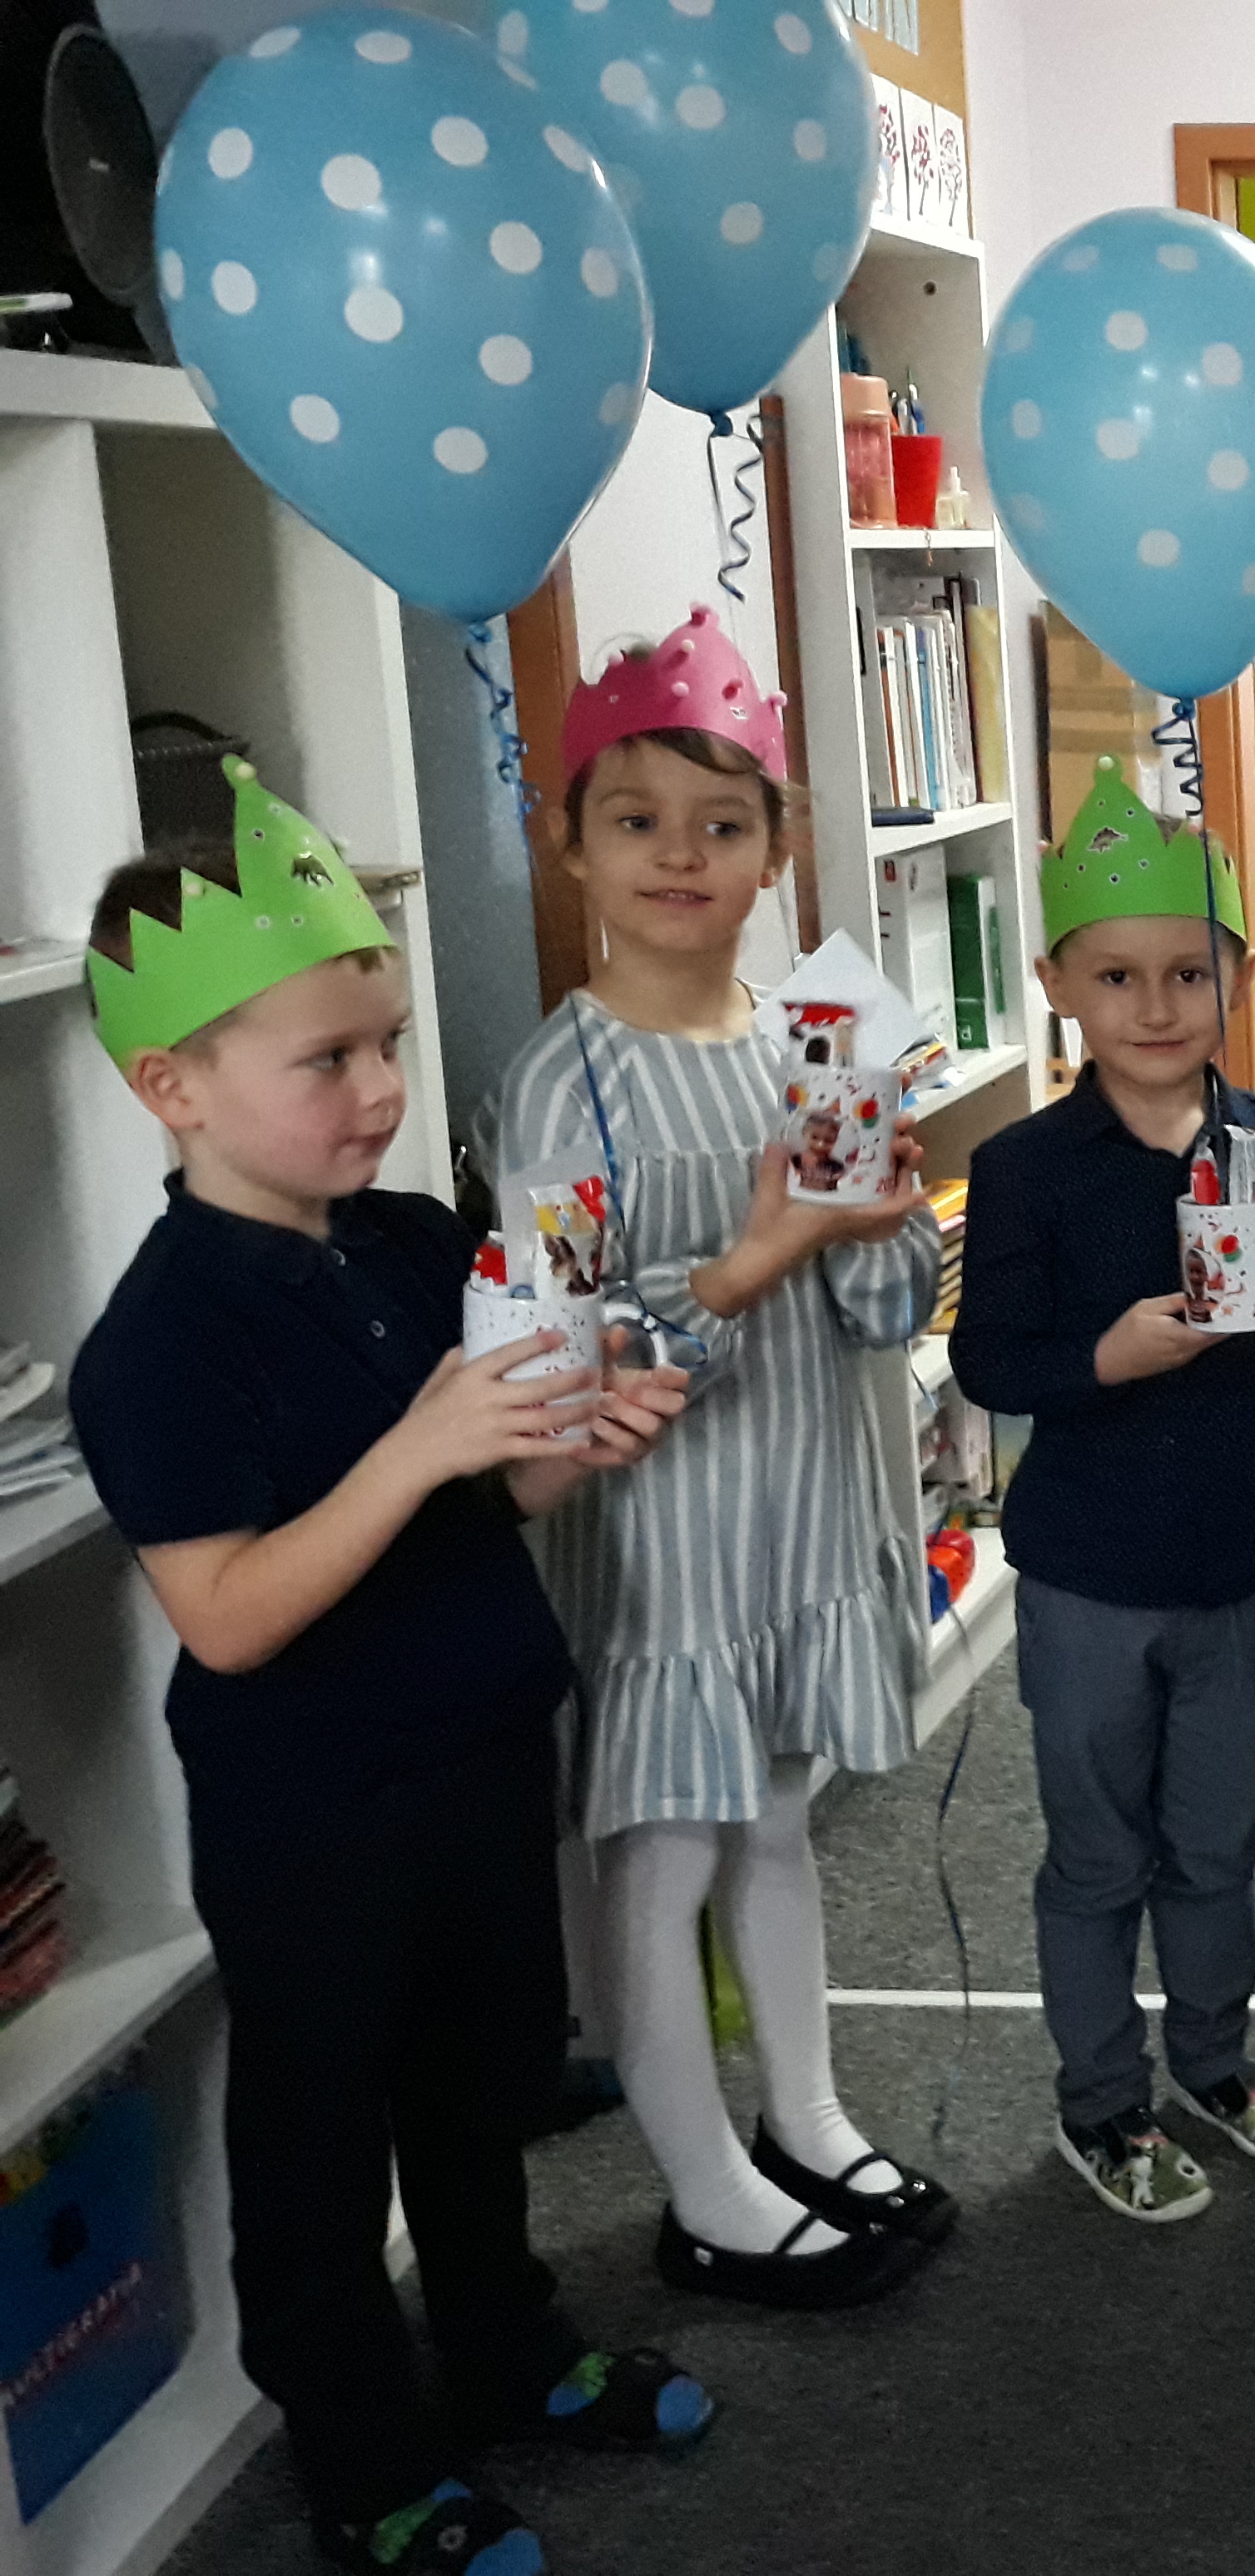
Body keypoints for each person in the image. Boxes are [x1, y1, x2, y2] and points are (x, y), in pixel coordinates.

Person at [70, 760, 707, 2575]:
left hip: (482, 1748)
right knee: (324, 2143)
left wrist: (571, 1445)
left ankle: (505, 2352)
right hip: (317, 1813)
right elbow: (228, 1613)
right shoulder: (160, 1344)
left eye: (389, 1046)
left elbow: (487, 1494)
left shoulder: (419, 1244)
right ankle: (364, 2463)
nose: (378, 1090)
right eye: (327, 1060)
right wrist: (419, 1450)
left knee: (481, 2092)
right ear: (174, 1087)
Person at [499, 608, 949, 2307]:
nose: (680, 856)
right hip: (661, 1545)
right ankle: (701, 2189)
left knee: (774, 1817)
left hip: (802, 1508)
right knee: (665, 1842)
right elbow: (559, 1355)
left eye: (722, 822)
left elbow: (882, 1307)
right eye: (636, 821)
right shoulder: (563, 1086)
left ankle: (807, 2118)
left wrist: (879, 1221)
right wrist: (753, 1261)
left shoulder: (807, 1044)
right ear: (572, 846)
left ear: (778, 847)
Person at [951, 759, 1255, 2222]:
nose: (1156, 1006)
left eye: (1189, 974)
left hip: (1242, 1559)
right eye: (1118, 976)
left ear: (1236, 978)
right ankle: (1102, 2100)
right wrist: (1108, 1356)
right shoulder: (1025, 1167)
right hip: (1088, 1575)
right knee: (1097, 1855)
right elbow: (990, 1360)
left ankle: (1215, 2063)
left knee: (1217, 1841)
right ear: (1058, 984)